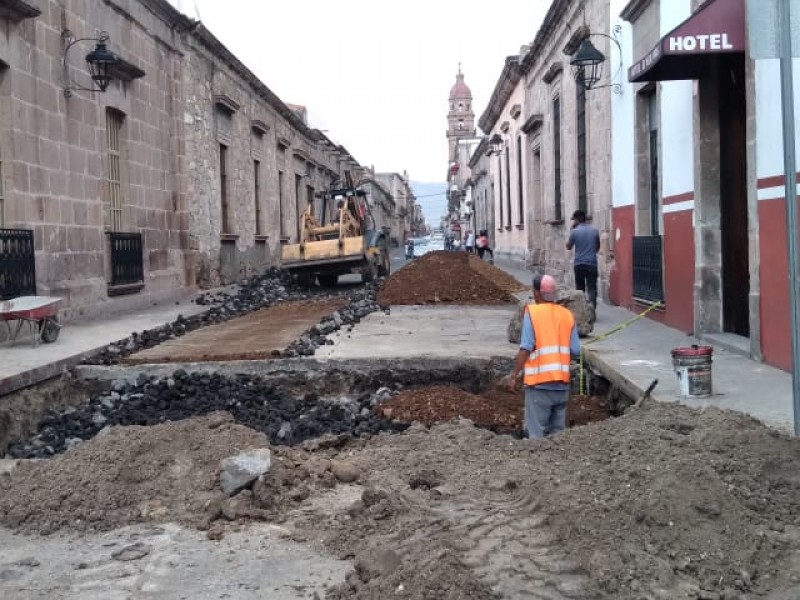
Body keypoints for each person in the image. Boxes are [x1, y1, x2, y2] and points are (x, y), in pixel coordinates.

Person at [507, 274, 580, 438]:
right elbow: (575, 350)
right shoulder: (567, 315)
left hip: (539, 386)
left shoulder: (533, 313)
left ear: (537, 293)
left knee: (536, 436)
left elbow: (525, 348)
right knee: (557, 436)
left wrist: (513, 376)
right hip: (562, 386)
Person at [566, 209, 600, 308]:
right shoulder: (594, 230)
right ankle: (592, 307)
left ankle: (582, 309)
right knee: (592, 287)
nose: (574, 222)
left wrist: (571, 231)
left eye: (574, 220)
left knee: (580, 289)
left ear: (578, 219)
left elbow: (568, 247)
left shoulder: (574, 232)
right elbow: (597, 247)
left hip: (579, 264)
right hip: (592, 263)